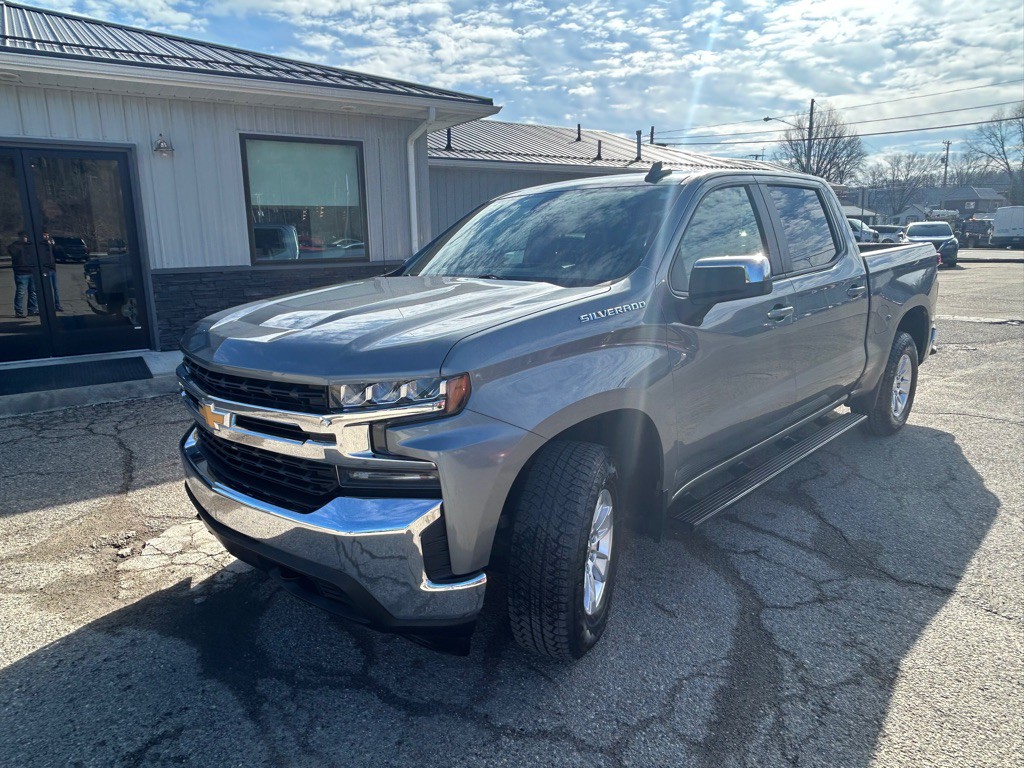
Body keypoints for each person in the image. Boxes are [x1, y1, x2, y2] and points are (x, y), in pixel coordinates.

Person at [7, 231, 38, 318]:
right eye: (23, 236)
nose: (25, 238)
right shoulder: (15, 246)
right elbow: (11, 251)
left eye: (26, 236)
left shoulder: (31, 246)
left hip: (31, 271)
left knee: (33, 292)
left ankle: (32, 310)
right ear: (19, 237)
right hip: (21, 273)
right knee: (21, 292)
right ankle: (19, 311)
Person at [39, 229, 64, 311]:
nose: (46, 237)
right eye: (44, 235)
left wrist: (53, 245)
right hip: (46, 269)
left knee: (56, 289)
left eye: (47, 235)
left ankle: (57, 305)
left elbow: (57, 251)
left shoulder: (51, 244)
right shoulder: (41, 245)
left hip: (53, 269)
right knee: (48, 289)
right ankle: (49, 306)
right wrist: (47, 243)